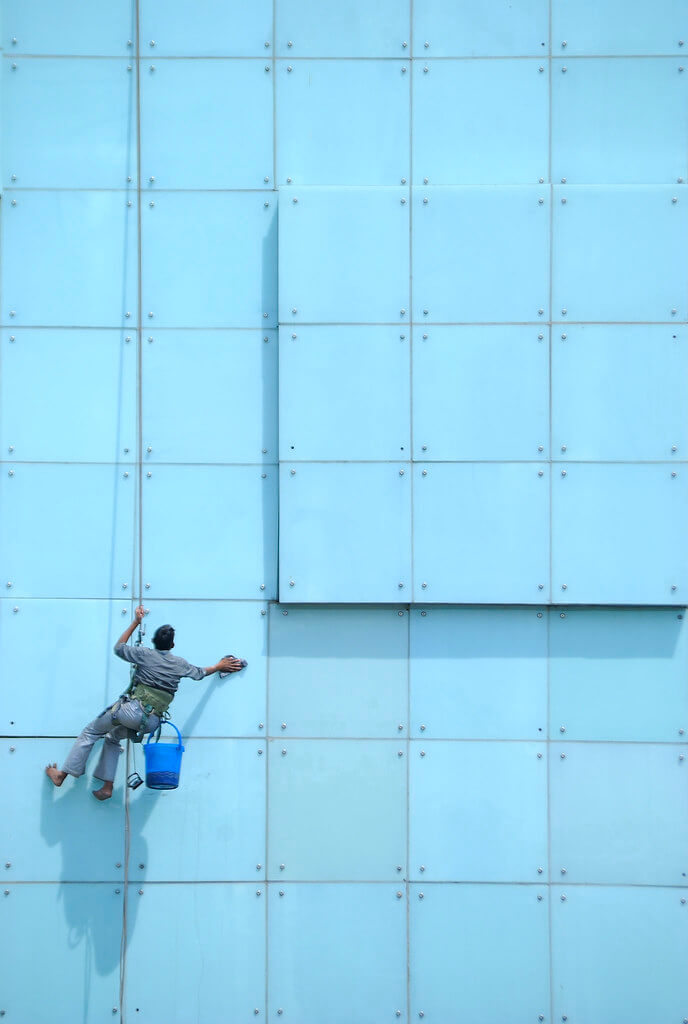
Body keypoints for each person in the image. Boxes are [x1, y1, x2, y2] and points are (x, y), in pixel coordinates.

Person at [45, 606, 245, 801]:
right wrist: (219, 665)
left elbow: (119, 648)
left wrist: (136, 622)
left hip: (130, 711)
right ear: (172, 645)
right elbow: (200, 673)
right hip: (150, 722)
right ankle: (107, 787)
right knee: (113, 738)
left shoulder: (144, 654)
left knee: (91, 732)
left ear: (154, 642)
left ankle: (62, 775)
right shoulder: (180, 664)